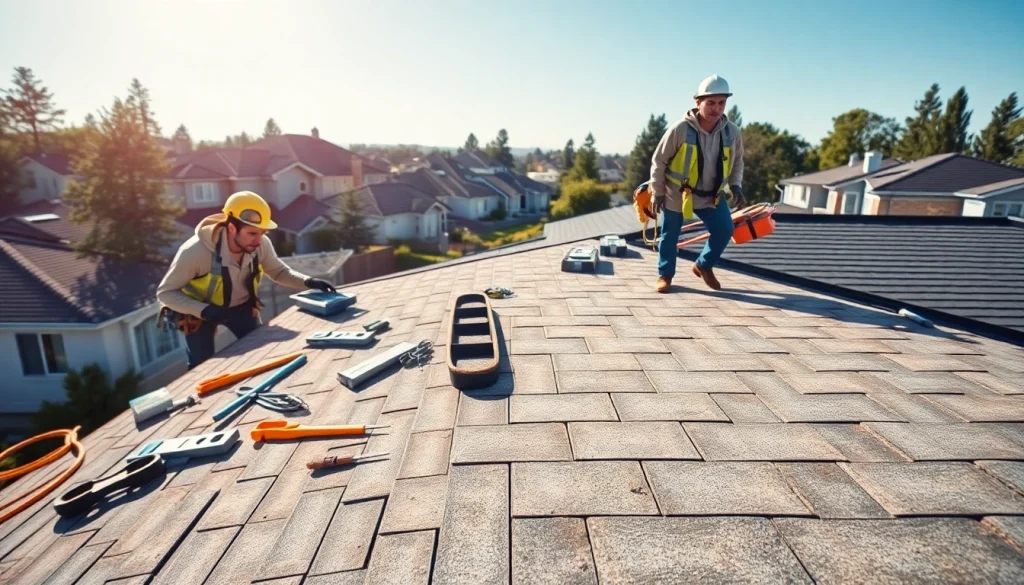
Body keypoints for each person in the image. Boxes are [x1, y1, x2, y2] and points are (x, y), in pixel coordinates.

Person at [157, 191, 337, 369]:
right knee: (201, 366)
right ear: (231, 227)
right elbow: (165, 293)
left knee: (260, 354)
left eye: (262, 233)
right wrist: (204, 310)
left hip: (241, 307)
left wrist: (308, 281)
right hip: (198, 313)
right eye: (252, 233)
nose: (259, 240)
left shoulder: (261, 244)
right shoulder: (195, 252)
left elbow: (278, 271)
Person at [649, 74, 745, 293]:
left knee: (724, 229)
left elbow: (738, 160)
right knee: (670, 235)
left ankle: (704, 265)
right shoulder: (680, 129)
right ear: (698, 102)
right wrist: (657, 191)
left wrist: (736, 185)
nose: (716, 108)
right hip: (677, 192)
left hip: (712, 194)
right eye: (710, 103)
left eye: (721, 103)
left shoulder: (732, 132)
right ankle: (665, 275)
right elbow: (659, 160)